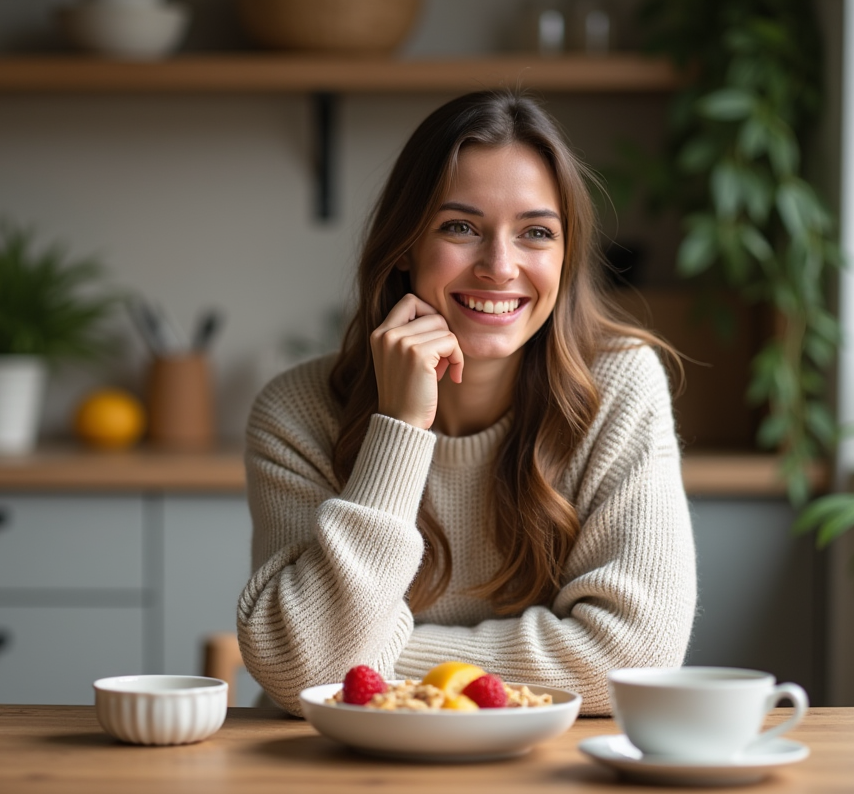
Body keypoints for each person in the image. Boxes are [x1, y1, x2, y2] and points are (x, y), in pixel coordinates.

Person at [237, 89, 696, 717]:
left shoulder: (618, 386)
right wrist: (398, 429)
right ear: (404, 246)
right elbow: (303, 672)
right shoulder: (296, 411)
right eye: (461, 228)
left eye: (536, 233)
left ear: (565, 257)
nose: (500, 266)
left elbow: (636, 655)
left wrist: (377, 663)